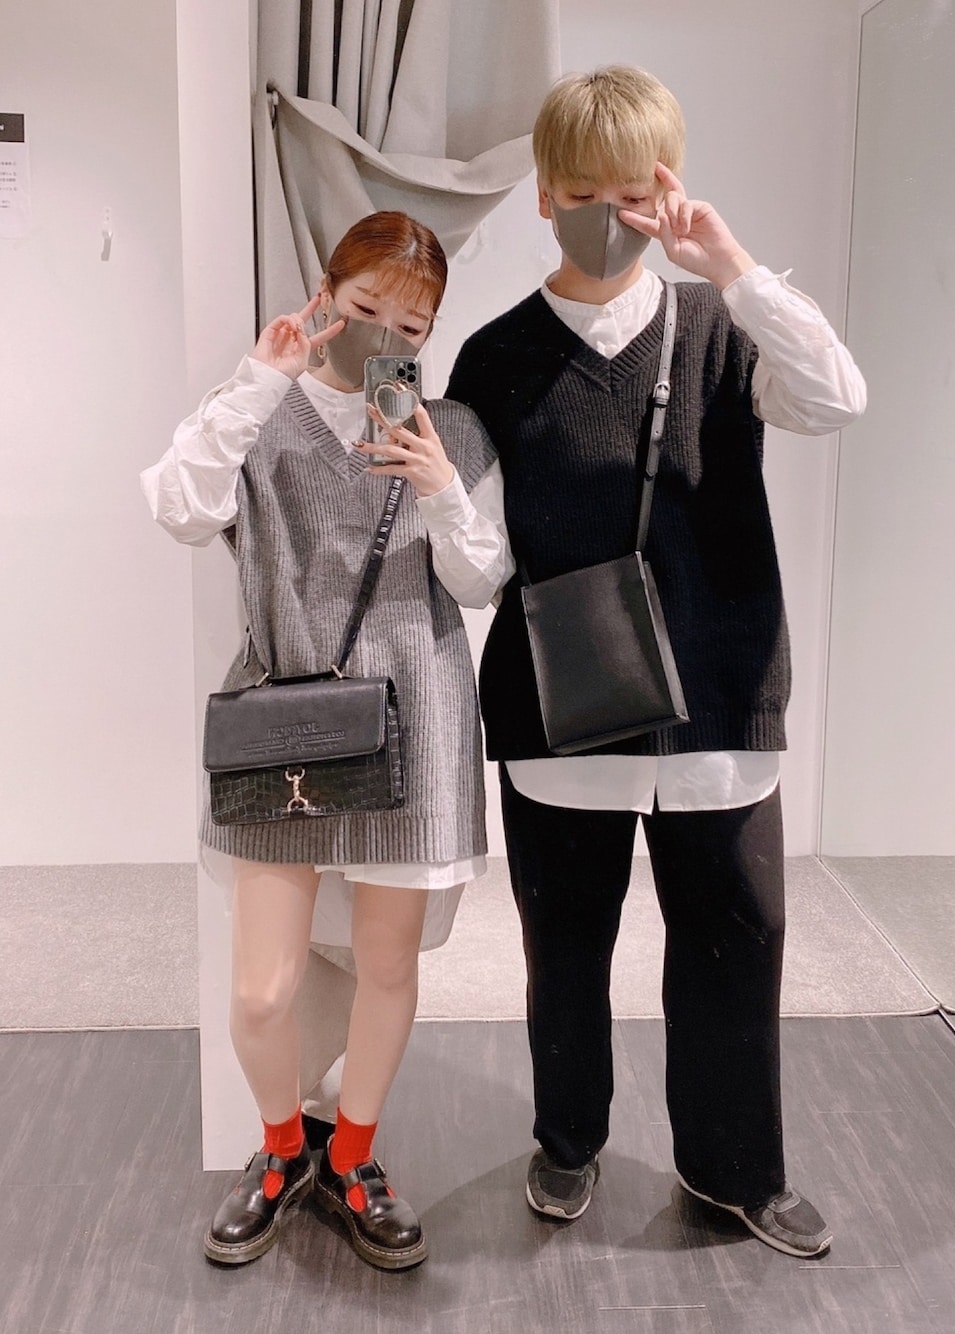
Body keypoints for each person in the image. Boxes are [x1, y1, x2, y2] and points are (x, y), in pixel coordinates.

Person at [445, 66, 866, 1257]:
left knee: (737, 938)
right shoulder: (493, 358)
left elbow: (836, 398)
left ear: (666, 190)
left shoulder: (724, 326)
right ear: (542, 193)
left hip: (719, 702)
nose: (607, 216)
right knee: (565, 950)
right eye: (581, 192)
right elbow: (479, 564)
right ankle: (568, 1136)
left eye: (631, 193)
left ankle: (736, 1167)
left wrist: (731, 265)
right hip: (561, 710)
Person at [141, 210, 509, 1270]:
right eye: (364, 309)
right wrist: (261, 376)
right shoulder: (260, 409)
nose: (384, 337)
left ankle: (352, 1154)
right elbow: (178, 506)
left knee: (387, 965)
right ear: (325, 295)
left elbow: (482, 579)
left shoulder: (453, 428)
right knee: (264, 989)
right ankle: (279, 1146)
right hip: (286, 725)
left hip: (415, 721)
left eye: (412, 326)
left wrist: (439, 486)